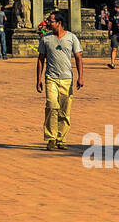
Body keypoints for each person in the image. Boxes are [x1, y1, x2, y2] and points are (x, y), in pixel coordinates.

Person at [36, 12, 84, 151]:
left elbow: (78, 57)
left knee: (64, 110)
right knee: (51, 106)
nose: (48, 24)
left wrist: (80, 77)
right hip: (51, 77)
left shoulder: (71, 38)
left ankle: (61, 138)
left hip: (66, 79)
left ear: (59, 23)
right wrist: (38, 79)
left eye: (51, 21)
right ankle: (51, 138)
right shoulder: (46, 39)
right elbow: (40, 59)